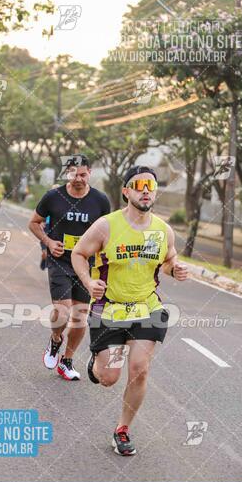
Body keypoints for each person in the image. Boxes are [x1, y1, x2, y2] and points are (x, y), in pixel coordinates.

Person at [72, 166, 188, 455]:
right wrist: (88, 281)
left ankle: (122, 430)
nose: (146, 190)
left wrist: (176, 269)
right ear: (126, 191)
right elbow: (78, 253)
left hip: (147, 307)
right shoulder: (106, 226)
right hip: (108, 308)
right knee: (109, 378)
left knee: (139, 369)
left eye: (151, 184)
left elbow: (169, 260)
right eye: (139, 185)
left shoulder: (163, 231)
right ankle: (97, 366)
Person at [28, 155, 111, 381]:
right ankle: (56, 339)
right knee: (62, 312)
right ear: (67, 174)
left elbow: (108, 234)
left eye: (83, 174)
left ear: (89, 173)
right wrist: (49, 242)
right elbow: (33, 222)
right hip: (60, 261)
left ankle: (67, 361)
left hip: (86, 265)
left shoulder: (100, 201)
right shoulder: (53, 197)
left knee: (80, 318)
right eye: (74, 174)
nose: (78, 179)